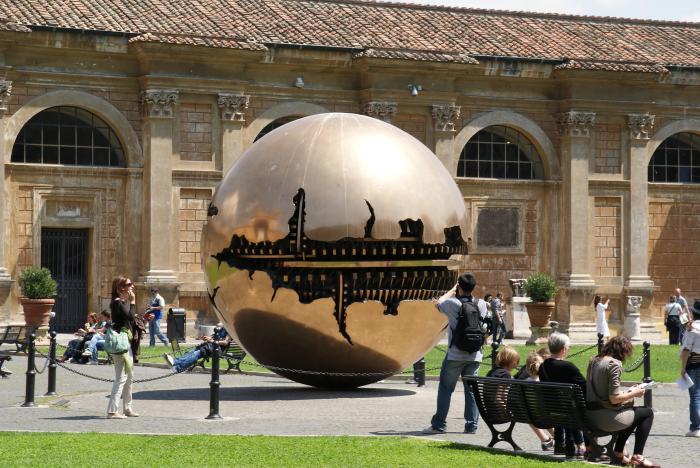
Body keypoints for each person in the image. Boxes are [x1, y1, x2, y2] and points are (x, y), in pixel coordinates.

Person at [423, 273, 488, 435]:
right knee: (471, 391)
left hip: (455, 355)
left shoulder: (452, 303)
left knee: (446, 388)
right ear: (474, 287)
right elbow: (484, 327)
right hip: (475, 355)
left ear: (459, 286)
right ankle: (471, 425)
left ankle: (439, 424)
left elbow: (437, 303)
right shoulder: (481, 304)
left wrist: (452, 290)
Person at [586, 336, 659, 467]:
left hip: (591, 416)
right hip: (606, 418)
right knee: (647, 413)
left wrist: (627, 393)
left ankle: (618, 453)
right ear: (623, 351)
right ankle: (637, 456)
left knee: (632, 412)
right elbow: (614, 399)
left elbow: (604, 393)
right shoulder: (614, 364)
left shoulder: (594, 361)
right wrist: (635, 393)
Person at [539, 332, 587, 459]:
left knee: (564, 406)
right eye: (568, 347)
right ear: (563, 349)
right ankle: (577, 445)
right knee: (572, 407)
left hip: (551, 409)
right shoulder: (568, 366)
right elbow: (585, 386)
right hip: (569, 410)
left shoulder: (543, 366)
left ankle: (560, 444)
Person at [107, 275, 138, 419]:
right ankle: (112, 411)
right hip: (120, 344)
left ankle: (127, 408)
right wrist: (133, 302)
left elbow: (130, 320)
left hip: (127, 342)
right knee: (121, 377)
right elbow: (130, 317)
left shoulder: (123, 302)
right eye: (129, 284)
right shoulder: (117, 303)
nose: (132, 286)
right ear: (121, 288)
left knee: (129, 376)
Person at [522, 351, 555, 450]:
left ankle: (547, 440)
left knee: (536, 413)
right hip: (546, 415)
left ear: (527, 368)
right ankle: (560, 439)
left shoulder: (524, 383)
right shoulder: (544, 382)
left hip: (531, 416)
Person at [163, 326, 232, 373]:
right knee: (191, 352)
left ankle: (177, 366)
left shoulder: (229, 329)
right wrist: (208, 338)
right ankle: (176, 364)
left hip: (217, 349)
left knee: (196, 353)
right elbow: (215, 337)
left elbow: (226, 342)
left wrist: (212, 341)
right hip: (210, 346)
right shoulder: (223, 328)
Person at [680, 300, 700, 437]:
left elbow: (686, 350)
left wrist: (682, 368)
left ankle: (696, 428)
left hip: (693, 364)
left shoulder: (692, 329)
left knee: (695, 396)